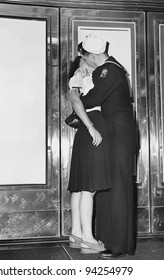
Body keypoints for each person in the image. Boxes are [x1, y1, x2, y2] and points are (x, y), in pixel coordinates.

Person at [71, 34, 137, 259]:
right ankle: (108, 240)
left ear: (93, 55)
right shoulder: (109, 70)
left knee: (117, 186)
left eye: (85, 57)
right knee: (107, 186)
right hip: (113, 132)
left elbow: (90, 100)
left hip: (119, 133)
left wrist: (75, 88)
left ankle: (119, 245)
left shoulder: (108, 70)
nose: (84, 62)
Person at [67, 54, 112, 254]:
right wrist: (92, 127)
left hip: (85, 131)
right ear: (79, 65)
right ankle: (88, 239)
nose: (89, 62)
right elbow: (76, 103)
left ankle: (76, 234)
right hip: (90, 125)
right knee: (89, 187)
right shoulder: (79, 77)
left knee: (80, 186)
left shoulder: (86, 78)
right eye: (84, 60)